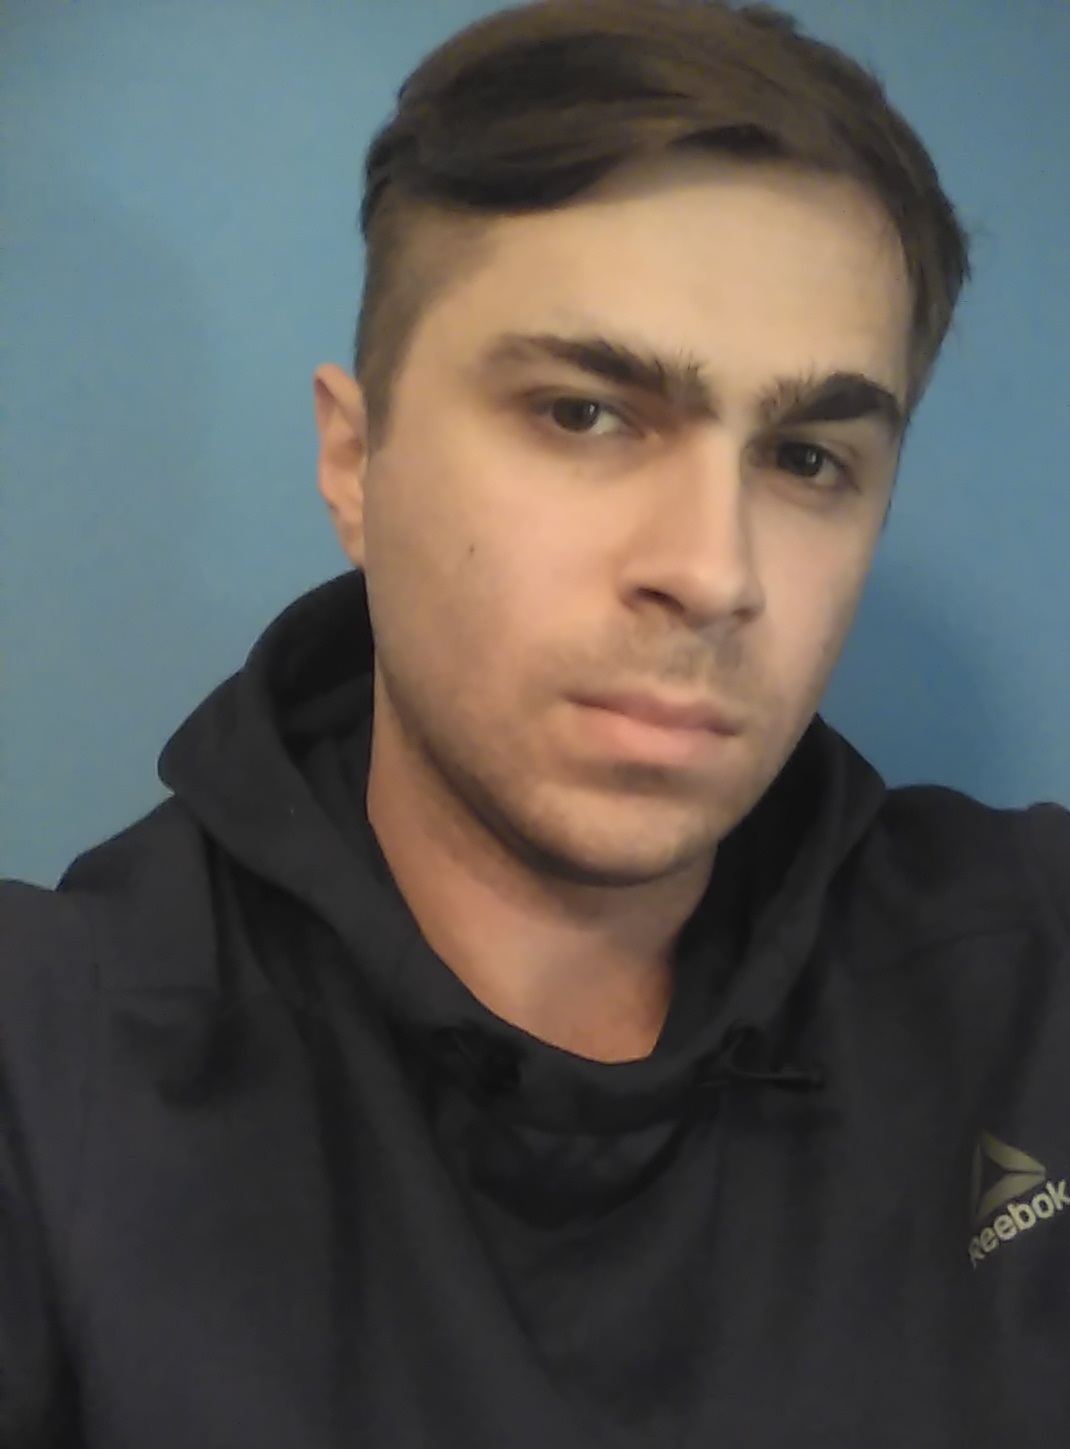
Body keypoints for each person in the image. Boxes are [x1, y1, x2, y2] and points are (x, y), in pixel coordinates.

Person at [2, 0, 1067, 1444]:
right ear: (356, 461)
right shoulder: (54, 1062)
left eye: (808, 457)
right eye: (582, 413)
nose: (712, 571)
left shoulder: (1031, 976)